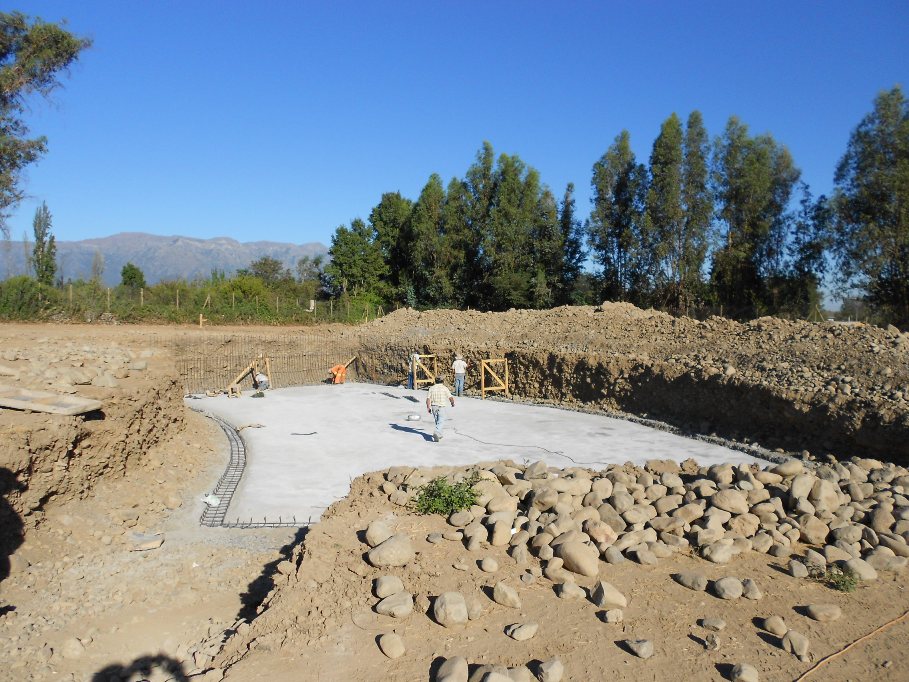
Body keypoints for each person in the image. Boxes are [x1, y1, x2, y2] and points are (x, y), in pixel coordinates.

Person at [426, 377, 454, 442]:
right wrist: (452, 403)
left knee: (437, 421)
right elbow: (450, 397)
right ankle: (436, 432)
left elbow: (428, 399)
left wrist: (428, 407)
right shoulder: (445, 388)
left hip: (434, 406)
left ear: (435, 381)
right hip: (441, 406)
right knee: (441, 421)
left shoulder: (431, 388)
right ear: (442, 381)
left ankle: (439, 434)